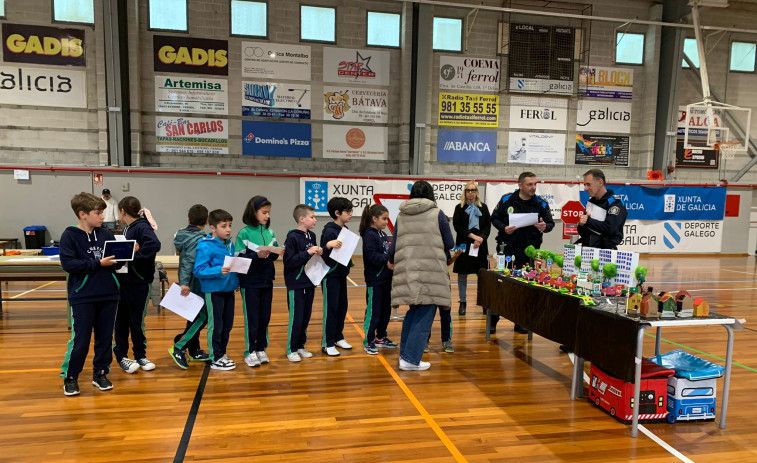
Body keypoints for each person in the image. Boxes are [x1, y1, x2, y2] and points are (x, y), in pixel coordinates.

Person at [59, 192, 122, 396]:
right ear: (82, 214)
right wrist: (98, 263)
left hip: (108, 294)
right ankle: (71, 377)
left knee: (104, 339)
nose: (103, 217)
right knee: (81, 340)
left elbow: (115, 264)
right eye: (98, 213)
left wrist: (127, 254)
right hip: (83, 296)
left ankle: (101, 373)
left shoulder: (105, 234)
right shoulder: (69, 235)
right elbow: (69, 264)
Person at [388, 181, 455, 371]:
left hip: (408, 270)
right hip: (430, 270)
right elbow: (449, 242)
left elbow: (393, 246)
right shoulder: (437, 214)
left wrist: (391, 259)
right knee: (425, 314)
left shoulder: (401, 216)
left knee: (413, 312)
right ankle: (410, 360)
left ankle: (406, 356)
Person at [490, 172, 555, 334]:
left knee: (526, 288)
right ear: (520, 185)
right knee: (501, 285)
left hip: (529, 252)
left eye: (535, 184)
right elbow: (494, 218)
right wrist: (503, 228)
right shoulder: (507, 200)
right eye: (529, 184)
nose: (533, 187)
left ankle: (521, 321)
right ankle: (493, 321)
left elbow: (550, 223)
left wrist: (544, 227)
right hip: (507, 249)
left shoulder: (541, 204)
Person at [113, 197, 162, 374]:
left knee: (136, 321)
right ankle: (121, 355)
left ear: (122, 211)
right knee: (121, 321)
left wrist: (135, 256)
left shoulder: (141, 226)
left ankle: (140, 354)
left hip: (139, 283)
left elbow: (155, 244)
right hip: (124, 282)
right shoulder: (127, 229)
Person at [235, 196, 280, 367]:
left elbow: (273, 254)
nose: (267, 216)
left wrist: (277, 252)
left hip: (267, 280)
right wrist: (256, 255)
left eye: (268, 213)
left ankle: (261, 348)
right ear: (253, 213)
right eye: (264, 212)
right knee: (252, 318)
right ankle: (250, 351)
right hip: (250, 282)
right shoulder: (244, 233)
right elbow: (238, 258)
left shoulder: (270, 232)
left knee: (264, 317)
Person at [193, 209, 239, 371]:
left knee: (227, 325)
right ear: (212, 228)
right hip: (213, 291)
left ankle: (222, 353)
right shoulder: (205, 246)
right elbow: (199, 270)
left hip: (229, 289)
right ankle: (215, 357)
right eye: (224, 226)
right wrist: (218, 270)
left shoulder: (230, 244)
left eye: (230, 226)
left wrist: (236, 280)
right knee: (216, 325)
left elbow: (231, 265)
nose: (228, 229)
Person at [169, 204, 211, 370]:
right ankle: (179, 347)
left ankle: (194, 350)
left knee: (194, 316)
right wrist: (184, 282)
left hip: (193, 282)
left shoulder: (182, 236)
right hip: (196, 283)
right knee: (203, 316)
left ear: (188, 220)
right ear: (207, 221)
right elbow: (189, 261)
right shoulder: (198, 239)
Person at [283, 204, 323, 362]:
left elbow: (311, 258)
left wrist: (319, 252)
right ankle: (291, 348)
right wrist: (307, 252)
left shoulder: (311, 236)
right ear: (301, 219)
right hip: (296, 283)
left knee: (306, 316)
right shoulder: (292, 237)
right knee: (296, 317)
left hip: (309, 282)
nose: (315, 220)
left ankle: (300, 345)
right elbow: (289, 261)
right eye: (312, 217)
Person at [359, 204, 396, 355]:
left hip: (386, 279)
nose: (386, 222)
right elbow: (372, 256)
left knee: (385, 310)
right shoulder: (369, 234)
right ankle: (368, 341)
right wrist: (387, 259)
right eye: (384, 219)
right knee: (373, 312)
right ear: (374, 218)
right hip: (375, 280)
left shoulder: (381, 234)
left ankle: (381, 336)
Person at [320, 197, 354, 357]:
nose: (351, 214)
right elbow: (324, 256)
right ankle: (327, 342)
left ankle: (338, 336)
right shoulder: (329, 231)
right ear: (337, 213)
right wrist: (328, 247)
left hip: (341, 275)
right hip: (330, 276)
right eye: (348, 211)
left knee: (342, 307)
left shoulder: (344, 230)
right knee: (331, 309)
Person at [452, 181, 491, 316]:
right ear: (465, 192)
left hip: (480, 245)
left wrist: (480, 238)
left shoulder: (484, 208)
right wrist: (473, 236)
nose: (470, 193)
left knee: (482, 275)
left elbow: (487, 226)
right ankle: (463, 302)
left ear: (477, 192)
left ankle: (484, 302)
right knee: (462, 274)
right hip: (464, 244)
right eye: (468, 190)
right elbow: (457, 226)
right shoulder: (459, 208)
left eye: (473, 190)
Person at [577, 169, 628, 250]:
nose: (585, 188)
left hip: (605, 252)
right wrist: (581, 224)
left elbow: (610, 228)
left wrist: (588, 221)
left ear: (600, 182)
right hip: (587, 250)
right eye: (584, 185)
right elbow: (583, 232)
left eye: (588, 185)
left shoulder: (614, 204)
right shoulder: (590, 202)